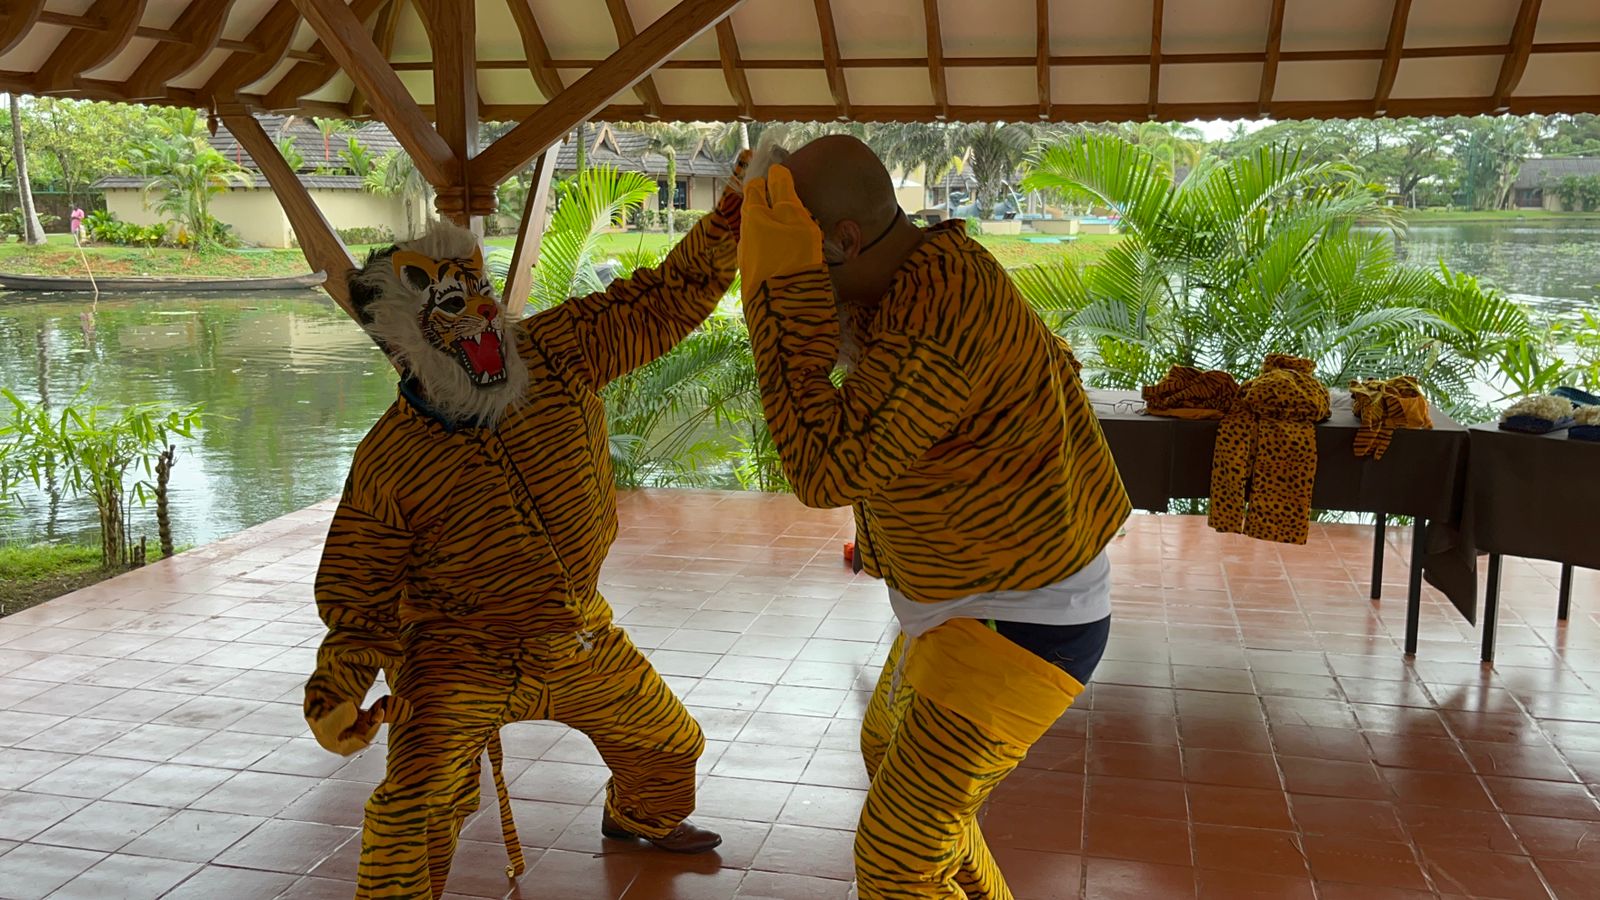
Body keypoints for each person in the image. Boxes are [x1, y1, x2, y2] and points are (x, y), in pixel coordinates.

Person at [305, 152, 749, 899]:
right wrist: (336, 692)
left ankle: (636, 817)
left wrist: (728, 221)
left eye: (479, 292)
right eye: (452, 305)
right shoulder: (390, 457)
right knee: (415, 804)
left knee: (670, 746)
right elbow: (359, 596)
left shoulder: (560, 349)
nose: (483, 312)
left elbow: (663, 300)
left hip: (576, 633)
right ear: (404, 340)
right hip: (456, 650)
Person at [738, 136, 1130, 899]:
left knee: (896, 862)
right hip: (966, 604)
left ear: (846, 240)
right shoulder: (906, 280)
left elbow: (826, 468)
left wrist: (774, 307)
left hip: (1021, 621)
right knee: (888, 753)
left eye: (801, 262)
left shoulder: (941, 308)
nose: (801, 283)